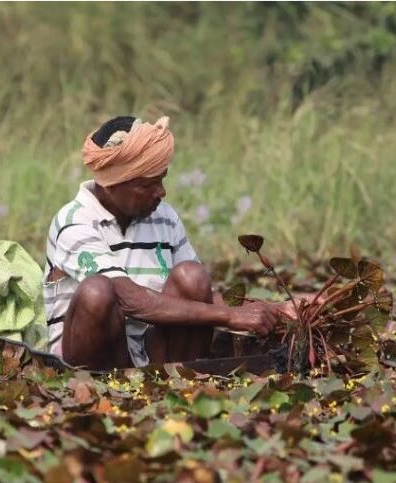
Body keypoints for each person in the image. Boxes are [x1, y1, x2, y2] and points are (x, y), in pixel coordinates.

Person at [44, 115, 289, 369]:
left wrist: (277, 310)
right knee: (97, 292)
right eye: (148, 184)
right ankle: (102, 389)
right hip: (89, 361)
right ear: (111, 185)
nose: (161, 192)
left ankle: (179, 388)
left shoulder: (165, 217)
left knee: (192, 276)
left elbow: (202, 297)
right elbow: (128, 298)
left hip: (149, 357)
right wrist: (230, 316)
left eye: (162, 179)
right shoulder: (73, 222)